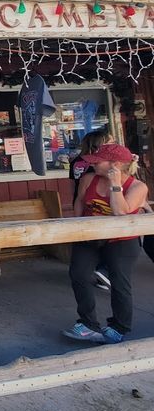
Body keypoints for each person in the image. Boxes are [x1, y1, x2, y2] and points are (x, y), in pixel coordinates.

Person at [63, 143, 148, 344]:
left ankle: (119, 326)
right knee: (79, 274)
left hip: (122, 240)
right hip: (90, 235)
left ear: (115, 164)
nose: (93, 164)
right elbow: (80, 201)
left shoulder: (138, 187)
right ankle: (87, 323)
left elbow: (121, 212)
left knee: (119, 283)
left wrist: (115, 183)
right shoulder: (88, 179)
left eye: (98, 161)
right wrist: (77, 226)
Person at [69, 130, 113, 290]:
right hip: (98, 201)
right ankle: (103, 270)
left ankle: (91, 270)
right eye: (109, 142)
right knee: (108, 239)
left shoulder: (76, 161)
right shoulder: (98, 165)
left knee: (88, 240)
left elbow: (73, 185)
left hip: (80, 201)